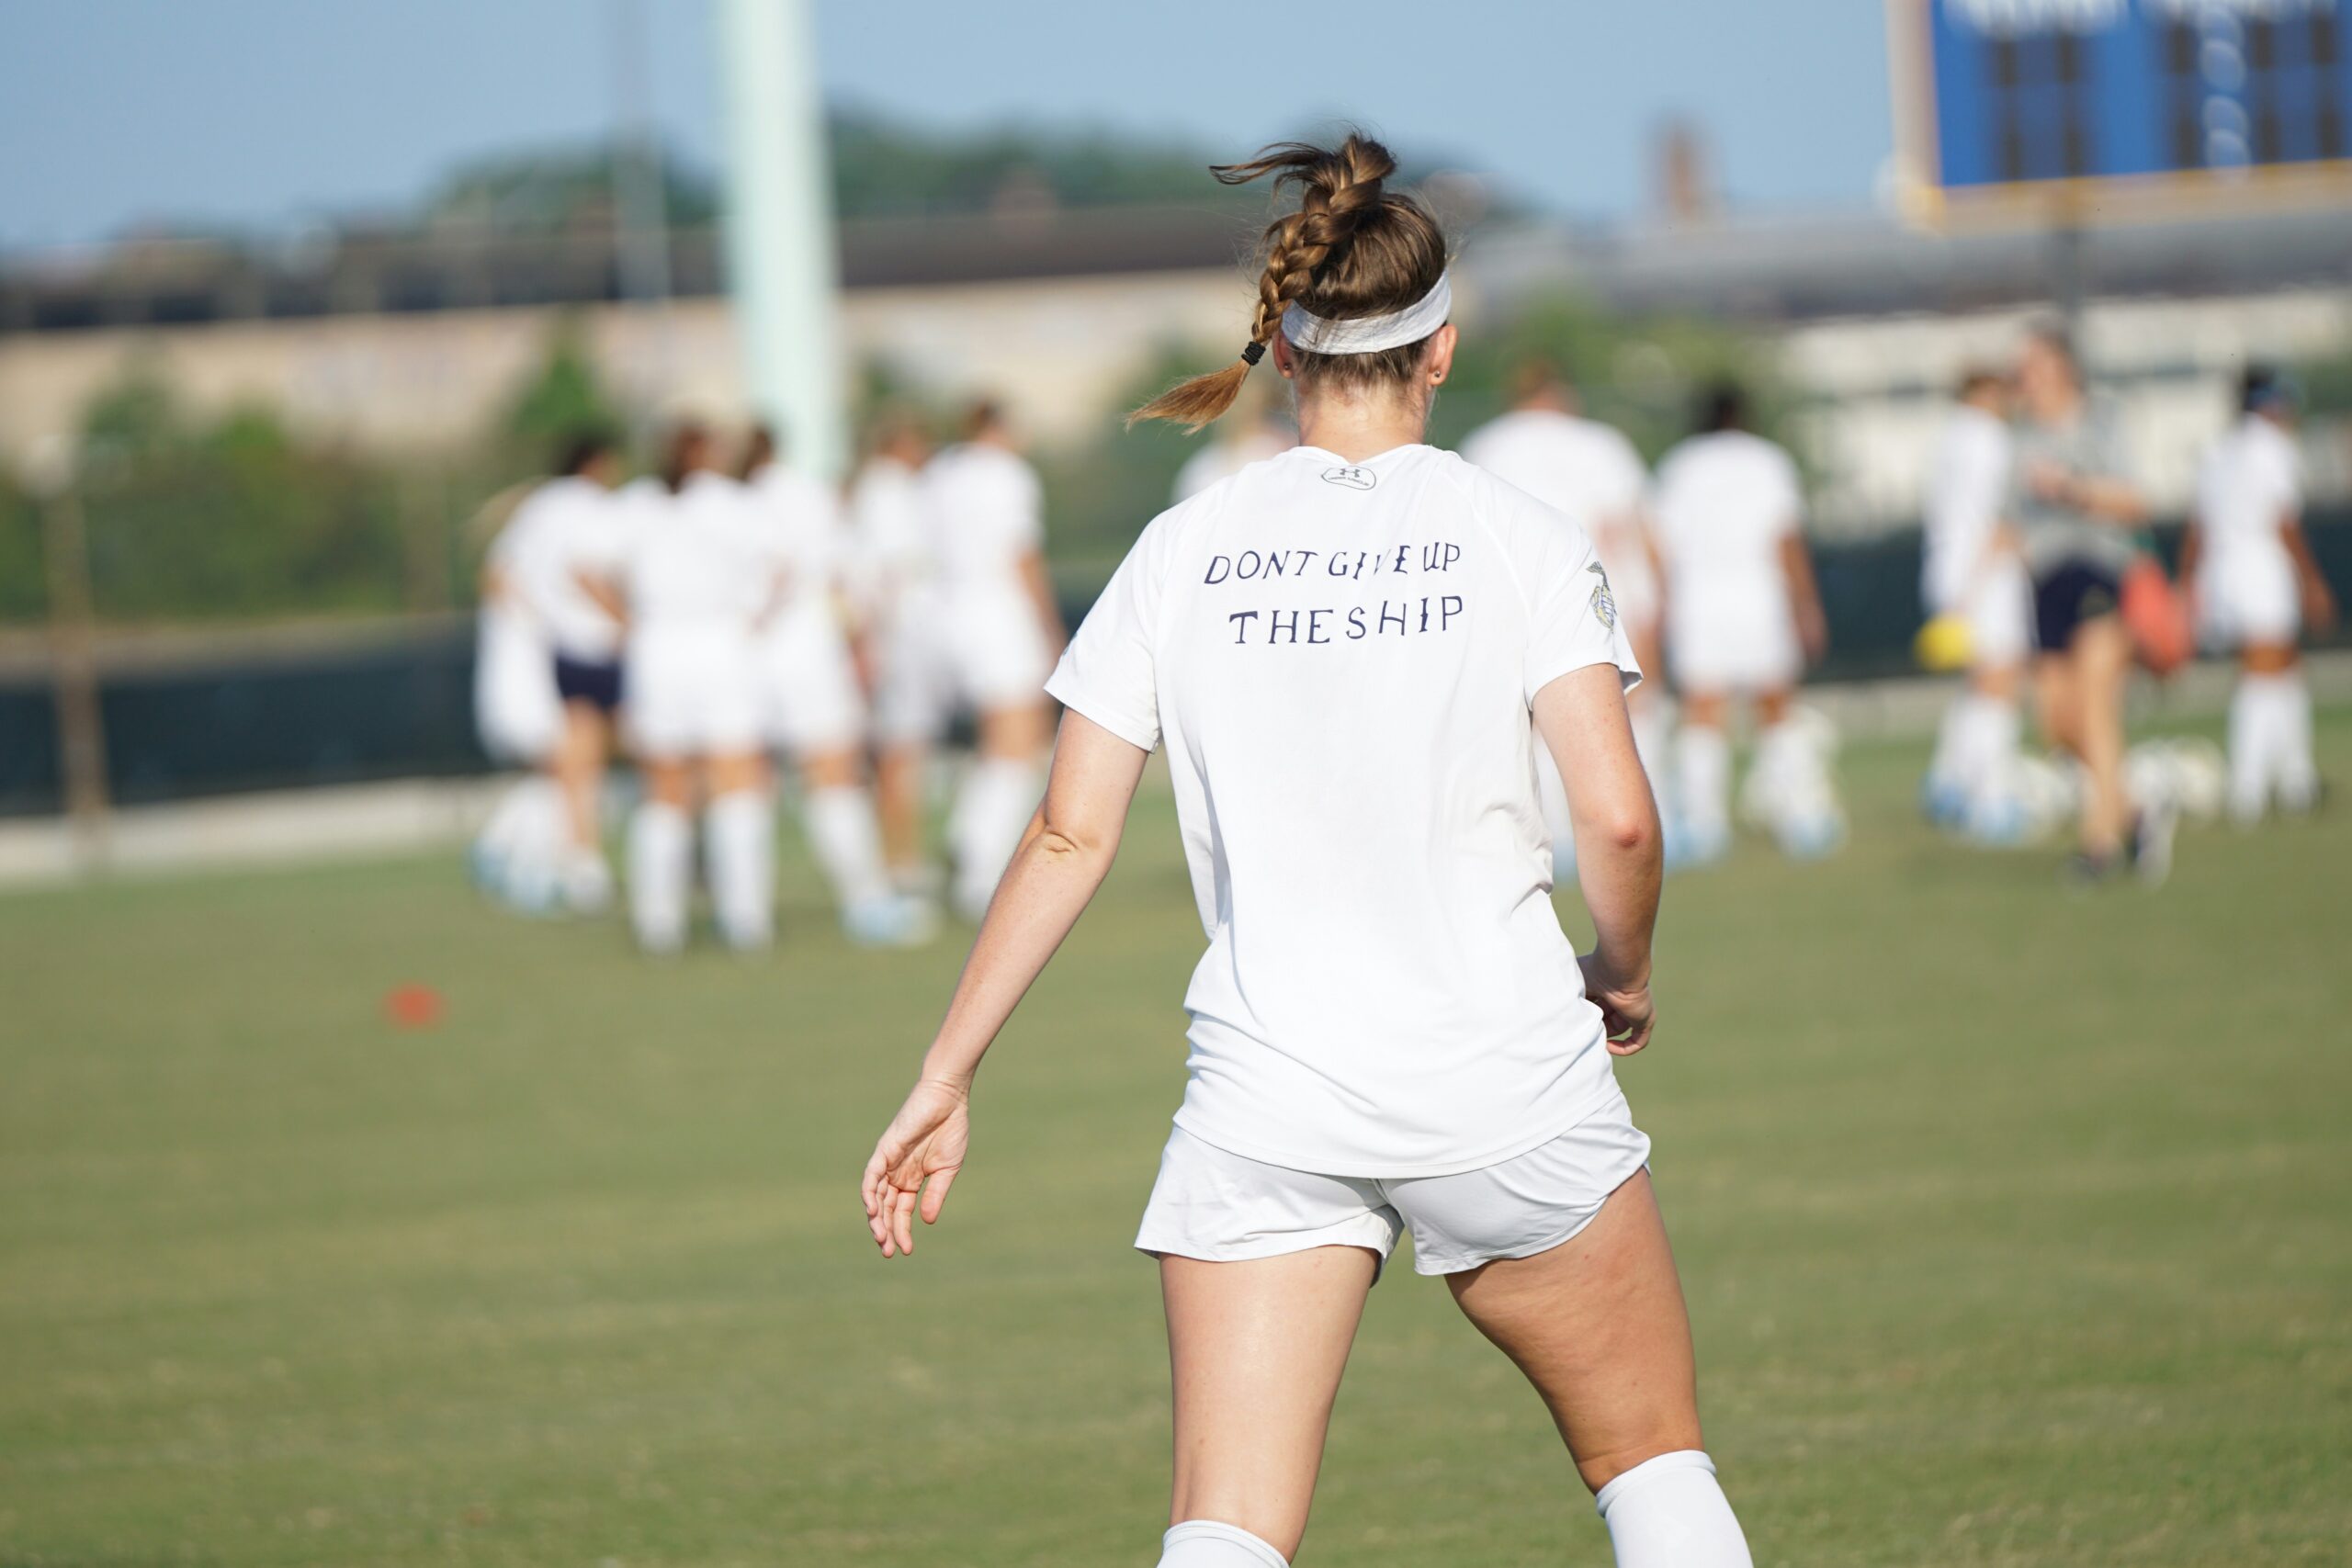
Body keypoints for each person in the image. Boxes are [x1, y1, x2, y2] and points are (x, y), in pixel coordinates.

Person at [863, 135, 1753, 1568]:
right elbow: (1624, 816)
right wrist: (1625, 971)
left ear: (1282, 344)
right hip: (1504, 1070)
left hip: (1269, 1094)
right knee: (1652, 1465)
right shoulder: (1514, 531)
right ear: (1442, 349)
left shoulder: (1181, 545)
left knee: (1224, 1532)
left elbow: (1066, 828)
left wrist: (944, 1070)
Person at [1463, 359, 1669, 874]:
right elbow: (1633, 529)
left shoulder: (1486, 445)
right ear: (1560, 394)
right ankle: (1653, 821)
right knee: (1630, 710)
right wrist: (1658, 600)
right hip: (1600, 590)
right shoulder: (1600, 443)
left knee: (1529, 723)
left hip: (1515, 597)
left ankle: (1554, 834)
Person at [741, 425, 935, 946]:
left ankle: (743, 919)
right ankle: (867, 903)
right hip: (803, 653)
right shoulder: (804, 498)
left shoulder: (722, 499)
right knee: (832, 778)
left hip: (732, 657)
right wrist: (863, 647)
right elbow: (839, 580)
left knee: (739, 787)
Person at [602, 423, 786, 953]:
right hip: (720, 644)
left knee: (664, 790)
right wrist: (755, 619)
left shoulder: (639, 501)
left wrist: (630, 623)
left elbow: (590, 569)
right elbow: (781, 566)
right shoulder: (733, 501)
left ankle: (658, 924)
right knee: (736, 781)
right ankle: (746, 919)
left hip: (658, 650)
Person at [2007, 323, 2166, 884]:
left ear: (2062, 366)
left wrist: (2071, 488)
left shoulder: (2101, 421)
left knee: (2097, 706)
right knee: (2058, 722)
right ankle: (2134, 812)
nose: (2023, 373)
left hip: (2097, 569)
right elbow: (2012, 519)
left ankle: (2096, 847)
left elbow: (2135, 499)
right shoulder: (2019, 435)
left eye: (2033, 362)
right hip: (2045, 579)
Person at [1651, 383, 1837, 862]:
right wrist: (1807, 606)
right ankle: (1802, 818)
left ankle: (1702, 825)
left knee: (1702, 713)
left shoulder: (1680, 466)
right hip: (1760, 597)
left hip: (1700, 600)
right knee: (1775, 708)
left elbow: (1659, 544)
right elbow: (1786, 539)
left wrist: (1665, 606)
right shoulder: (1768, 461)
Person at [921, 399, 1068, 921]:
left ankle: (968, 836)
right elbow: (1020, 554)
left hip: (947, 612)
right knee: (1017, 745)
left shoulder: (940, 471)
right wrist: (1050, 626)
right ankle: (980, 862)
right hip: (997, 611)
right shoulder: (1007, 475)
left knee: (996, 742)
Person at [2180, 367, 2336, 823]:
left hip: (2223, 571)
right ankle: (2247, 789)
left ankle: (2295, 780)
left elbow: (2197, 528)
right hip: (2259, 566)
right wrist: (2311, 579)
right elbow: (2282, 520)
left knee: (2283, 667)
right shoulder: (2271, 448)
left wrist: (2189, 582)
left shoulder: (2219, 450)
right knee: (2263, 672)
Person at [491, 430, 629, 911]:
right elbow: (585, 572)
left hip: (553, 651)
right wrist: (627, 621)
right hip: (597, 648)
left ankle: (571, 865)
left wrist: (530, 624)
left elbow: (499, 575)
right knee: (655, 755)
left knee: (572, 767)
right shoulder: (591, 506)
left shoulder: (539, 506)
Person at [1919, 370, 2033, 841]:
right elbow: (2002, 514)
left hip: (1949, 570)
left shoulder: (1949, 438)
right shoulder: (1990, 438)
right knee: (2000, 686)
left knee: (1980, 685)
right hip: (1984, 573)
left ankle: (1950, 780)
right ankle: (1989, 799)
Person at [851, 411, 955, 891]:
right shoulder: (886, 492)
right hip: (898, 635)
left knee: (903, 753)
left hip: (904, 632)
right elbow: (885, 574)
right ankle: (899, 861)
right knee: (898, 754)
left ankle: (901, 858)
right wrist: (877, 644)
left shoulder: (891, 490)